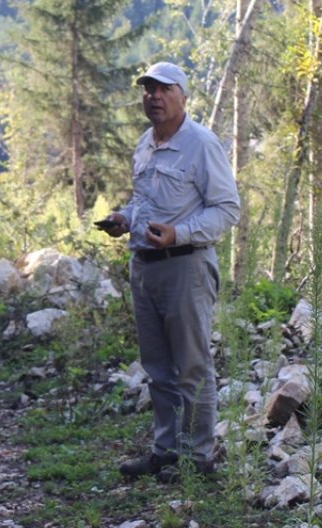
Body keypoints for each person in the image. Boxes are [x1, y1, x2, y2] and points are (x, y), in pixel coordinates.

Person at [98, 61, 241, 483]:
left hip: (186, 267)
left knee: (193, 367)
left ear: (182, 96)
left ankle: (197, 458)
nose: (153, 97)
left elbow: (228, 209)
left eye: (162, 90)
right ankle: (166, 451)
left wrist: (179, 233)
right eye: (147, 90)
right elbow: (145, 200)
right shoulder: (146, 142)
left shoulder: (201, 144)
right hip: (144, 268)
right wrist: (124, 218)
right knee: (157, 368)